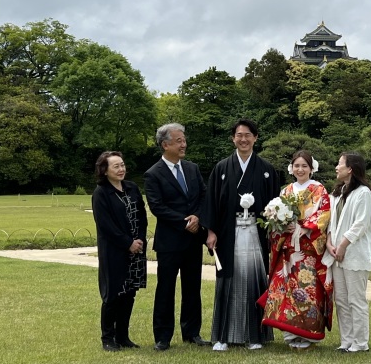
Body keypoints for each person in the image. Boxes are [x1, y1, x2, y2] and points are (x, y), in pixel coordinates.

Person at [203, 119, 279, 351]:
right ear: (233, 138)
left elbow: (276, 204)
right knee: (228, 281)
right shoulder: (222, 168)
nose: (243, 139)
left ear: (256, 138)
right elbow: (212, 202)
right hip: (228, 233)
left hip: (256, 233)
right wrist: (211, 231)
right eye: (239, 135)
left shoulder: (267, 169)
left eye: (248, 135)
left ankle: (255, 336)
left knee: (256, 280)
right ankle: (224, 336)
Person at [143, 123, 210, 351]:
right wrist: (185, 222)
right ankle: (162, 337)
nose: (184, 144)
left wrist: (197, 217)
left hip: (193, 241)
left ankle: (192, 333)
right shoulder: (153, 174)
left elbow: (203, 196)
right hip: (170, 243)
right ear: (165, 145)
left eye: (184, 140)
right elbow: (157, 207)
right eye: (179, 141)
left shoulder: (192, 168)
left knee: (192, 289)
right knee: (165, 289)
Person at [262, 150, 333, 349]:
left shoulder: (319, 190)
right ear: (291, 168)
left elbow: (324, 215)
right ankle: (290, 334)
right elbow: (276, 217)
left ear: (312, 168)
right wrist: (282, 224)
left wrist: (303, 227)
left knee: (309, 291)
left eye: (304, 166)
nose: (300, 169)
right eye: (297, 166)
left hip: (308, 249)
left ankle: (308, 335)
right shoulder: (286, 190)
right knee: (288, 291)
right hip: (289, 250)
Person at [323, 152, 371, 354]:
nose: (336, 167)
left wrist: (343, 245)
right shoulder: (338, 193)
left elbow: (360, 224)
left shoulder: (363, 193)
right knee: (341, 300)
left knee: (356, 299)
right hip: (337, 253)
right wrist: (330, 244)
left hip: (354, 253)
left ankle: (360, 342)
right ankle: (346, 340)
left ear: (351, 169)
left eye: (340, 164)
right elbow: (331, 223)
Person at [91, 151, 147, 351]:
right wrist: (127, 243)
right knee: (113, 295)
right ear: (104, 170)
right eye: (116, 166)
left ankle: (123, 336)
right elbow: (105, 225)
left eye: (122, 165)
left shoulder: (132, 188)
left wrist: (139, 239)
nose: (121, 169)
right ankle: (108, 338)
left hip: (136, 250)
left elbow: (141, 215)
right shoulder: (101, 193)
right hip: (114, 251)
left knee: (129, 293)